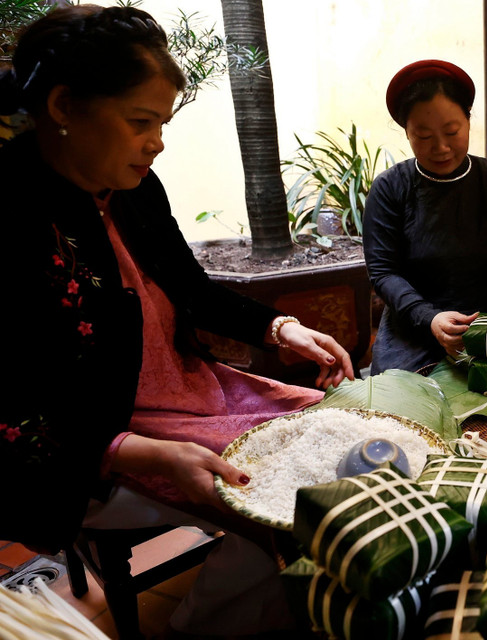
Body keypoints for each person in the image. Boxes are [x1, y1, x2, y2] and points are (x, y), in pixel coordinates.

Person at [0, 5, 353, 634]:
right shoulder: (10, 213)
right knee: (294, 509)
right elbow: (16, 413)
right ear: (62, 106)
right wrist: (154, 457)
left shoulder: (135, 186)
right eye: (141, 121)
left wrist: (282, 330)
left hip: (190, 388)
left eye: (161, 123)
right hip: (95, 441)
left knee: (338, 434)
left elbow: (190, 288)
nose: (157, 142)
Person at [363, 59, 487, 374]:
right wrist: (430, 317)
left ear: (468, 120)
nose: (441, 147)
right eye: (423, 136)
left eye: (452, 131)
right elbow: (384, 273)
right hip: (412, 330)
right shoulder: (389, 188)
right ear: (406, 132)